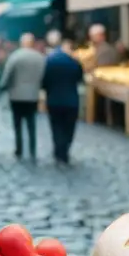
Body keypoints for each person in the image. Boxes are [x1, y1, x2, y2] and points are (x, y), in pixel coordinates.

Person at [0, 33, 46, 159]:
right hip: (33, 95)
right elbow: (44, 76)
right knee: (32, 123)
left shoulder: (15, 57)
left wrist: (3, 86)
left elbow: (7, 75)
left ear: (22, 43)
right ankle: (32, 148)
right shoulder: (40, 57)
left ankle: (19, 148)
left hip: (16, 95)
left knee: (17, 124)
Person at [41, 30, 84, 165]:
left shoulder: (49, 61)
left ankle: (58, 150)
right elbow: (80, 78)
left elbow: (44, 81)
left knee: (56, 126)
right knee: (69, 127)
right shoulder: (73, 61)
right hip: (71, 100)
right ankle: (65, 150)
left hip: (53, 99)